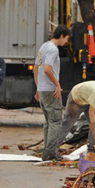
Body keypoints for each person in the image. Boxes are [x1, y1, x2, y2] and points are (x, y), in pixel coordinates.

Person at [34, 25, 71, 161]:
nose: (66, 42)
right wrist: (57, 85)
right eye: (66, 39)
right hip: (51, 90)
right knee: (56, 121)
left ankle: (47, 150)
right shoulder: (53, 49)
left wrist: (38, 87)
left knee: (48, 122)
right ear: (61, 36)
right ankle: (50, 153)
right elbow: (47, 69)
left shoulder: (44, 46)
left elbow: (36, 67)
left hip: (43, 89)